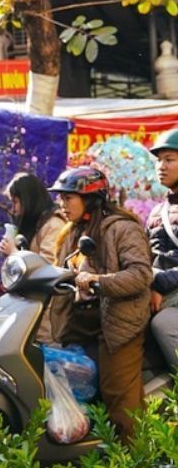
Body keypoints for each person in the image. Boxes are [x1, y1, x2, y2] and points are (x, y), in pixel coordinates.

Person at [45, 166, 151, 438]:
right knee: (77, 396)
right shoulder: (70, 232)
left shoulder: (123, 228)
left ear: (90, 198)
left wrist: (98, 280)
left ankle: (134, 460)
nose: (62, 203)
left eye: (68, 197)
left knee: (119, 401)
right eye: (60, 198)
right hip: (78, 324)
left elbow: (141, 275)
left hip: (118, 326)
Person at [146, 129, 178, 371]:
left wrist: (158, 284)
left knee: (163, 323)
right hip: (157, 286)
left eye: (169, 159)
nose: (161, 166)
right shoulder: (157, 212)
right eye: (159, 160)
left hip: (169, 289)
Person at [0, 172, 68, 265]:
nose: (13, 209)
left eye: (15, 202)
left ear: (28, 200)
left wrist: (14, 253)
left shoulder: (53, 225)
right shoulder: (34, 223)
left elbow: (49, 265)